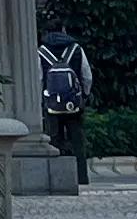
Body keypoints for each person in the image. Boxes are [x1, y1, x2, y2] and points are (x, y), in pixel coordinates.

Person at [37, 22, 94, 186]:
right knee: (77, 141)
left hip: (52, 104)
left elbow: (38, 79)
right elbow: (87, 75)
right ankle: (82, 178)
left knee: (54, 140)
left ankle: (56, 180)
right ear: (63, 30)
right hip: (73, 104)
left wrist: (43, 99)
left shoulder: (41, 52)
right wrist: (84, 95)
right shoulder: (76, 49)